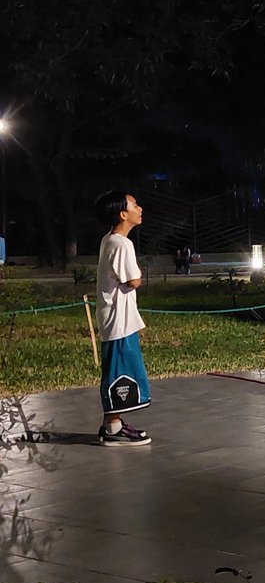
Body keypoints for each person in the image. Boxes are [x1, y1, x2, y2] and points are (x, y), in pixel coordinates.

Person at [93, 191, 153, 447]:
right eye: (135, 205)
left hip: (116, 317)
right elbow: (134, 280)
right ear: (123, 214)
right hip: (118, 320)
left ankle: (112, 423)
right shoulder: (121, 244)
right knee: (120, 373)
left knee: (118, 369)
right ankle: (113, 428)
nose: (140, 208)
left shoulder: (109, 239)